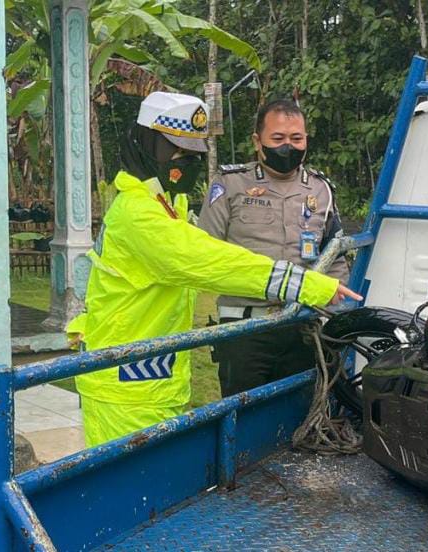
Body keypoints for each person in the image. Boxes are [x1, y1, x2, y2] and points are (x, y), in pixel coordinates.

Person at [68, 92, 361, 447]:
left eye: (194, 155)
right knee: (128, 484)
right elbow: (212, 259)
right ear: (147, 146)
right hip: (126, 380)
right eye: (178, 153)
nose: (187, 164)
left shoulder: (164, 201)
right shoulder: (139, 215)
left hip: (153, 373)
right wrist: (304, 285)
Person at [198, 99, 349, 397]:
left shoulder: (320, 189)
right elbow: (205, 254)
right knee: (243, 416)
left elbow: (335, 256)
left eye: (297, 138)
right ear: (258, 141)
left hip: (303, 326)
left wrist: (336, 316)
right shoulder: (231, 184)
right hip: (244, 327)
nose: (288, 147)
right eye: (278, 139)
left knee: (301, 413)